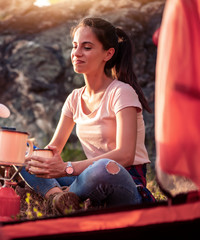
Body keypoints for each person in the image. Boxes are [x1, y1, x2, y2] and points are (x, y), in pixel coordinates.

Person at [21, 17, 155, 214]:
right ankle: (60, 198)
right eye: (75, 46)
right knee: (24, 154)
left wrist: (67, 168)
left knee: (103, 167)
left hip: (122, 180)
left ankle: (58, 197)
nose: (77, 53)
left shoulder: (121, 92)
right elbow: (54, 148)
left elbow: (125, 155)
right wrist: (34, 156)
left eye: (87, 47)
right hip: (87, 176)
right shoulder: (74, 98)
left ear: (108, 54)